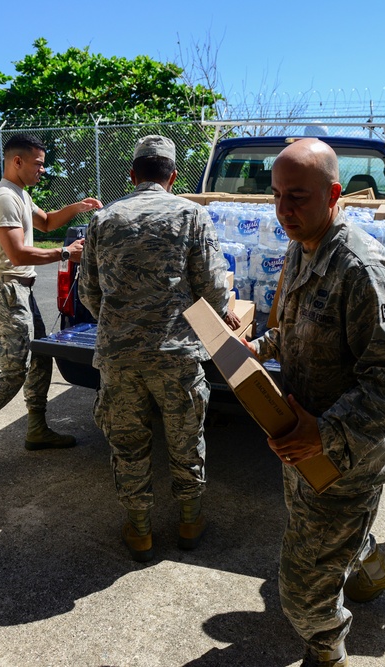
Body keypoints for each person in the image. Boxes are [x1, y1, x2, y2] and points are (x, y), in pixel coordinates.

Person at [244, 139, 385, 667]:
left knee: (300, 591)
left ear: (333, 194)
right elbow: (291, 327)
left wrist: (322, 431)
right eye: (276, 196)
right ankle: (367, 566)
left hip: (345, 456)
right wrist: (255, 350)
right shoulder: (302, 246)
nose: (284, 210)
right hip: (303, 445)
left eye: (296, 196)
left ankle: (327, 648)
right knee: (322, 541)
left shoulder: (363, 270)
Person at [78, 135, 241, 563]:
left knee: (128, 443)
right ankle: (189, 520)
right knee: (186, 438)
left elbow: (89, 293)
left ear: (132, 175)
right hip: (177, 354)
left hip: (119, 355)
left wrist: (122, 323)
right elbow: (213, 289)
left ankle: (140, 529)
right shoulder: (192, 215)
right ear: (172, 176)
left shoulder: (103, 220)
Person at [0, 133, 102, 485]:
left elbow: (45, 222)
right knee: (14, 371)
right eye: (38, 163)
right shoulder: (3, 198)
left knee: (41, 357)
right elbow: (16, 253)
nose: (42, 170)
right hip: (7, 291)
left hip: (22, 291)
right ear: (17, 161)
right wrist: (65, 254)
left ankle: (36, 429)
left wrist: (76, 208)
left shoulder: (21, 194)